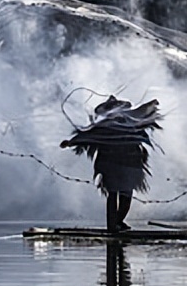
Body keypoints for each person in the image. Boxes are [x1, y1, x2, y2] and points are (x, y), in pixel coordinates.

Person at [61, 96, 162, 232]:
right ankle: (112, 226)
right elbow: (88, 135)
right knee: (113, 194)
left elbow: (143, 114)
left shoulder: (131, 121)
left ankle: (118, 222)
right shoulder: (103, 125)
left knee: (126, 195)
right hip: (110, 164)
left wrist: (151, 105)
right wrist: (71, 142)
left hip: (130, 163)